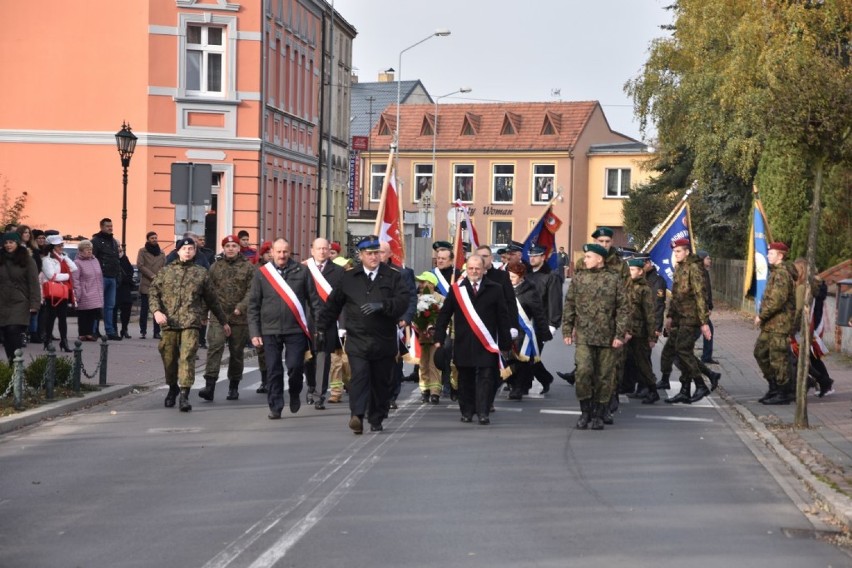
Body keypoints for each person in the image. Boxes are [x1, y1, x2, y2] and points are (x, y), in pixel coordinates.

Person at [315, 237, 410, 434]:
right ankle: (357, 415)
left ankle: (376, 417)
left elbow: (402, 302)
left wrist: (383, 306)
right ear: (361, 255)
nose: (374, 257)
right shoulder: (349, 277)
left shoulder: (392, 276)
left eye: (377, 253)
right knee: (359, 377)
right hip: (358, 339)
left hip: (383, 340)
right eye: (369, 253)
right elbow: (333, 305)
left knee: (380, 381)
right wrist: (321, 328)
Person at [149, 237, 230, 412]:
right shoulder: (166, 272)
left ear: (195, 252)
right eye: (184, 248)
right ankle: (172, 388)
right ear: (177, 251)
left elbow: (212, 300)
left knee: (187, 357)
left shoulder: (201, 273)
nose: (187, 251)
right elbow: (153, 292)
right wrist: (156, 311)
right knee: (169, 357)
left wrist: (223, 321)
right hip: (169, 322)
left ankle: (184, 395)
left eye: (191, 249)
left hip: (191, 322)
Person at [434, 254, 512, 425]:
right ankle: (467, 411)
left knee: (486, 379)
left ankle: (483, 412)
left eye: (477, 268)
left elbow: (502, 317)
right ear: (466, 269)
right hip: (464, 343)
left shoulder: (495, 289)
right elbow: (444, 315)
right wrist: (439, 337)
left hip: (487, 343)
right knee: (465, 379)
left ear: (484, 270)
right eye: (470, 268)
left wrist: (506, 342)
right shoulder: (457, 290)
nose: (474, 271)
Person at [248, 238, 320, 419]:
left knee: (295, 367)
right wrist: (255, 332)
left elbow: (314, 301)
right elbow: (253, 305)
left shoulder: (302, 271)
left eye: (285, 252)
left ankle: (295, 392)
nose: (282, 255)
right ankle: (275, 405)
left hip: (295, 329)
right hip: (269, 330)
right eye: (278, 252)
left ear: (290, 252)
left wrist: (319, 326)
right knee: (273, 369)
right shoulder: (262, 274)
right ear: (271, 252)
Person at [562, 243, 630, 430]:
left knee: (604, 377)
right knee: (583, 372)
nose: (585, 260)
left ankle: (599, 414)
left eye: (589, 257)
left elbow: (623, 309)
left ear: (600, 259)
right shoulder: (579, 278)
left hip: (607, 338)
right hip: (584, 335)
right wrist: (567, 330)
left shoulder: (614, 279)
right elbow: (570, 305)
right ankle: (585, 412)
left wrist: (619, 334)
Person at [200, 235, 256, 402]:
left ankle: (234, 386)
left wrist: (241, 306)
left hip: (239, 318)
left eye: (234, 246)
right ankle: (209, 386)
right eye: (227, 246)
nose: (231, 249)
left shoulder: (248, 268)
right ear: (223, 248)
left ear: (239, 248)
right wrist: (204, 313)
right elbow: (207, 292)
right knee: (215, 347)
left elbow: (251, 291)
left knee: (236, 352)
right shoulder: (215, 267)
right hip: (219, 316)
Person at [663, 239, 713, 405]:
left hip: (691, 317)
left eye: (678, 251)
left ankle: (700, 384)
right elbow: (676, 295)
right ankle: (685, 390)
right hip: (679, 317)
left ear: (686, 252)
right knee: (681, 351)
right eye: (674, 252)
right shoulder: (680, 268)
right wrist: (670, 316)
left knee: (683, 351)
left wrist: (704, 322)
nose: (675, 254)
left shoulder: (694, 268)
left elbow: (700, 296)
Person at [303, 237, 345, 409]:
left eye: (324, 249)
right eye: (318, 248)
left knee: (323, 357)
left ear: (329, 251)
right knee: (308, 358)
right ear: (312, 250)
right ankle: (311, 385)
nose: (321, 251)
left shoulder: (339, 272)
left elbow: (343, 300)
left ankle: (319, 394)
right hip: (306, 320)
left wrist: (342, 325)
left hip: (327, 321)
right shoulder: (303, 269)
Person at [753, 242, 797, 405]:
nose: (768, 255)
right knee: (760, 352)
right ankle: (773, 386)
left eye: (771, 253)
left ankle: (784, 392)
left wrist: (761, 316)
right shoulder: (776, 272)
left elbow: (777, 300)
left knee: (778, 358)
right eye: (769, 253)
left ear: (781, 256)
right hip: (771, 323)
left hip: (780, 324)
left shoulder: (782, 274)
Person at [378, 241, 417, 410]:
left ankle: (392, 395)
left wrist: (406, 318)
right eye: (374, 252)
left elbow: (411, 297)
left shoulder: (401, 273)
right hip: (373, 325)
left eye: (381, 252)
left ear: (389, 254)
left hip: (395, 324)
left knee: (394, 362)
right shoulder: (364, 274)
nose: (377, 255)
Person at [506, 263, 551, 400]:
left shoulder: (530, 292)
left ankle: (518, 388)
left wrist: (544, 333)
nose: (510, 278)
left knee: (522, 361)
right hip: (508, 331)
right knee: (512, 361)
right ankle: (545, 378)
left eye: (513, 276)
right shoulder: (504, 289)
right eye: (508, 276)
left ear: (521, 277)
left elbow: (539, 314)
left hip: (524, 333)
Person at [525, 245, 561, 394]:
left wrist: (552, 325)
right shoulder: (525, 274)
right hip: (525, 321)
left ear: (543, 257)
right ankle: (526, 382)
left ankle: (542, 379)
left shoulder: (550, 276)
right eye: (530, 256)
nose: (532, 258)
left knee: (532, 356)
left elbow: (554, 301)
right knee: (524, 355)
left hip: (540, 323)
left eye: (536, 256)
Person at [624, 258, 660, 403]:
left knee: (643, 363)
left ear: (640, 272)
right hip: (626, 330)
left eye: (633, 270)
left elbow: (649, 314)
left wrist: (652, 336)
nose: (630, 272)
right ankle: (627, 387)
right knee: (627, 361)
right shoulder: (626, 286)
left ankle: (653, 390)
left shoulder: (645, 289)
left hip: (639, 333)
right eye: (629, 269)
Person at [0, 231, 40, 362]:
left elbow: (34, 283)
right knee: (5, 334)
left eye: (11, 242)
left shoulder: (27, 260)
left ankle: (16, 364)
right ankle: (12, 363)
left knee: (13, 330)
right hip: (2, 301)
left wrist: (35, 304)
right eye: (5, 243)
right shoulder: (1, 259)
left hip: (20, 301)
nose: (8, 245)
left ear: (17, 243)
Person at [41, 234, 78, 352]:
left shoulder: (63, 258)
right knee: (51, 317)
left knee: (63, 318)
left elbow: (74, 268)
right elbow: (51, 276)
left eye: (61, 245)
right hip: (52, 291)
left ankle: (64, 341)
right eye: (58, 246)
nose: (61, 247)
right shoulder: (47, 260)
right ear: (52, 247)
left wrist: (65, 258)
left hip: (63, 291)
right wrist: (67, 276)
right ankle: (48, 340)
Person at [91, 218, 122, 341]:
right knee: (97, 305)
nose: (110, 228)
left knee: (110, 306)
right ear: (101, 227)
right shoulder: (96, 241)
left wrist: (118, 274)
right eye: (107, 226)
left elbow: (116, 260)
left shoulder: (114, 242)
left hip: (112, 277)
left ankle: (110, 331)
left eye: (111, 225)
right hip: (101, 277)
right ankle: (93, 330)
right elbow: (93, 259)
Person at [71, 240, 104, 341]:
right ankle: (82, 333)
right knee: (83, 313)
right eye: (87, 249)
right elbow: (75, 279)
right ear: (81, 251)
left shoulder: (95, 260)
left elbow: (99, 276)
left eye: (90, 249)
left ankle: (89, 332)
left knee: (92, 312)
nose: (89, 251)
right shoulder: (77, 262)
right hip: (84, 290)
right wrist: (77, 292)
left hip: (95, 289)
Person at [137, 231, 165, 339]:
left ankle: (156, 332)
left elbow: (164, 267)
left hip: (158, 284)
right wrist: (152, 275)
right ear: (148, 239)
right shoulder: (142, 251)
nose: (154, 239)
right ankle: (143, 331)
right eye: (152, 238)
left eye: (155, 238)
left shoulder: (161, 253)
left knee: (157, 309)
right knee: (144, 309)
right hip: (146, 283)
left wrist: (160, 277)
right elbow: (140, 265)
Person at [698, 251, 717, 364]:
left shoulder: (705, 272)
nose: (709, 261)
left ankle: (706, 356)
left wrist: (710, 306)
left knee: (708, 330)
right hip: (700, 310)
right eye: (707, 258)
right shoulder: (700, 274)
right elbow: (702, 294)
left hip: (704, 308)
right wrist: (706, 307)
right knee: (703, 331)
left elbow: (708, 292)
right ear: (702, 260)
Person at [113, 246, 134, 339]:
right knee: (114, 308)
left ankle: (124, 329)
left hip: (125, 287)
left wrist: (127, 278)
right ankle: (114, 329)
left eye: (119, 246)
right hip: (115, 287)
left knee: (126, 308)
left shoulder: (125, 258)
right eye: (117, 246)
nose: (119, 248)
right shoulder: (112, 258)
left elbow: (130, 270)